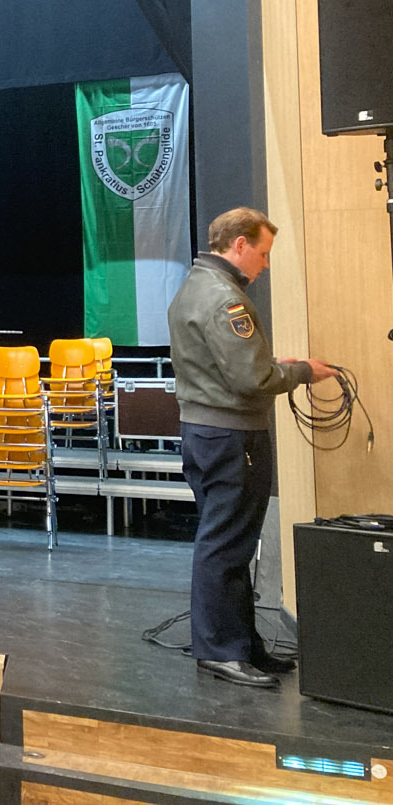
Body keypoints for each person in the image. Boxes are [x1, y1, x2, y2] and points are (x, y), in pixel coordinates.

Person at [166, 207, 335, 689]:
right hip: (231, 437)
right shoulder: (226, 298)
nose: (265, 264)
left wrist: (273, 363)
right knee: (225, 545)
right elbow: (252, 380)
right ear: (239, 244)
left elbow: (227, 366)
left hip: (206, 433)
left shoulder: (194, 285)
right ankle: (220, 650)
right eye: (262, 253)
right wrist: (302, 372)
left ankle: (241, 644)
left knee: (230, 543)